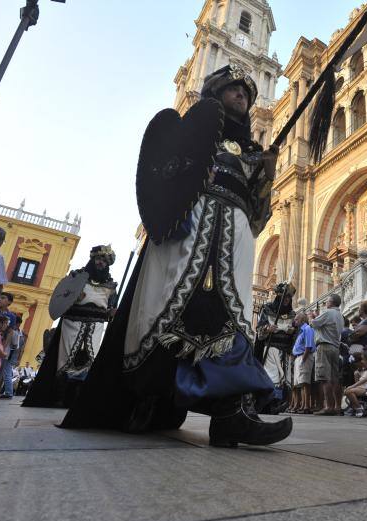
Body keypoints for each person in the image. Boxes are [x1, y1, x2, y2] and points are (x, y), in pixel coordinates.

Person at [60, 65, 291, 447]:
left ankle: (234, 416)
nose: (242, 98)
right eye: (234, 90)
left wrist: (265, 176)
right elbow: (163, 182)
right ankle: (145, 400)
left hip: (232, 238)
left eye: (248, 95)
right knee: (166, 310)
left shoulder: (252, 153)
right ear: (215, 93)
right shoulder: (188, 135)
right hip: (188, 232)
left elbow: (259, 215)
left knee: (229, 318)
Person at [23, 245, 117, 407]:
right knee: (66, 359)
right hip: (73, 322)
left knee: (89, 359)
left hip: (95, 325)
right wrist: (73, 296)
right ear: (93, 259)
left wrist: (112, 312)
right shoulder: (77, 277)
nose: (101, 262)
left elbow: (110, 309)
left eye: (104, 261)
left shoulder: (111, 286)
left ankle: (76, 399)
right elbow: (64, 296)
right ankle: (59, 397)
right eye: (98, 259)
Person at [254, 281, 296, 412]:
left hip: (285, 350)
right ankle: (267, 403)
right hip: (271, 348)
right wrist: (268, 328)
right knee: (272, 376)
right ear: (279, 297)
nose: (287, 300)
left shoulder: (292, 314)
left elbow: (295, 332)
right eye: (285, 298)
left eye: (289, 298)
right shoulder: (268, 309)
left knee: (284, 378)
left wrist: (293, 331)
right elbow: (259, 328)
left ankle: (277, 403)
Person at [310, 294, 345, 415]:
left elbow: (313, 324)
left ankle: (329, 407)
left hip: (324, 346)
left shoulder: (328, 312)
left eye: (327, 301)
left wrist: (313, 316)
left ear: (332, 302)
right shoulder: (340, 315)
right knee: (335, 378)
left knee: (325, 378)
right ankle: (337, 407)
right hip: (335, 347)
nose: (326, 303)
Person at [291, 311, 315, 414]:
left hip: (304, 357)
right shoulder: (301, 330)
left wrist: (303, 359)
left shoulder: (307, 329)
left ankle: (306, 406)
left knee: (305, 382)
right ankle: (301, 405)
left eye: (296, 319)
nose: (294, 321)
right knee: (299, 383)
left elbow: (308, 346)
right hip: (299, 357)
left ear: (302, 320)